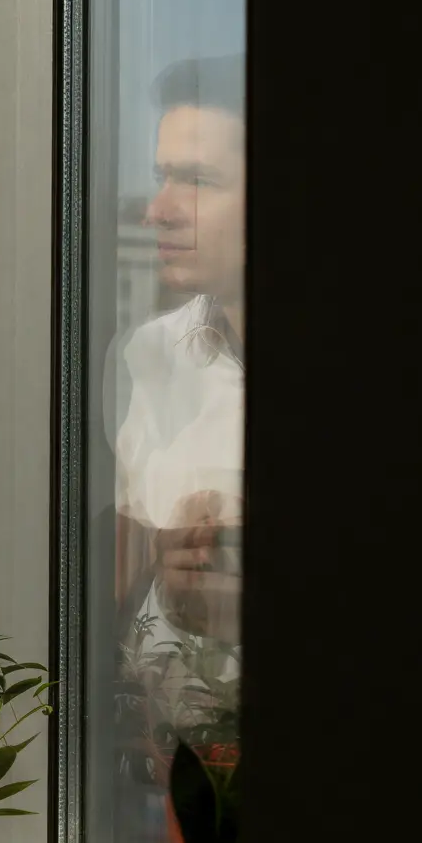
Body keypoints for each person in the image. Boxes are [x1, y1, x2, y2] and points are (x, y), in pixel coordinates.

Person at [113, 55, 245, 768]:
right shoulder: (152, 353)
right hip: (153, 785)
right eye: (163, 174)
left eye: (197, 180)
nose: (158, 207)